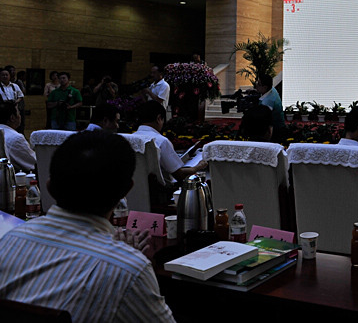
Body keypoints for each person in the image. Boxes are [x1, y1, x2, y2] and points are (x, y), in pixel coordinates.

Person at [0, 130, 175, 322]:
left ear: (49, 187)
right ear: (125, 191)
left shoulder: (9, 241)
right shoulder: (129, 271)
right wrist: (127, 258)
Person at [133, 100, 207, 183]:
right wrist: (197, 167)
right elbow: (179, 175)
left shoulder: (129, 138)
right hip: (157, 189)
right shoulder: (161, 141)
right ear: (159, 118)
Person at [0, 101, 36, 172]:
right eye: (19, 113)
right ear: (12, 118)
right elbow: (33, 163)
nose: (20, 116)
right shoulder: (15, 138)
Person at [256, 75, 285, 141]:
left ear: (265, 87)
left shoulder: (268, 102)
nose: (256, 85)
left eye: (259, 84)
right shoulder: (272, 89)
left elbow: (266, 122)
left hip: (275, 131)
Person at [4, 66, 26, 133]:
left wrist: (15, 102)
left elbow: (21, 95)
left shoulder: (16, 83)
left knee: (20, 125)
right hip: (5, 108)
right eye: (11, 71)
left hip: (18, 107)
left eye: (14, 70)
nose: (13, 72)